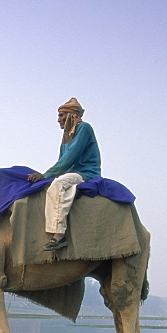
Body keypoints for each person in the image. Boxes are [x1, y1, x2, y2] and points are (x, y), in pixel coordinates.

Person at [27, 98, 101, 251]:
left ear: (72, 115)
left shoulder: (84, 128)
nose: (58, 119)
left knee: (58, 185)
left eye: (61, 115)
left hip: (84, 172)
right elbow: (62, 161)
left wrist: (46, 174)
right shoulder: (68, 135)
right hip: (70, 172)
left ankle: (59, 236)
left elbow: (69, 158)